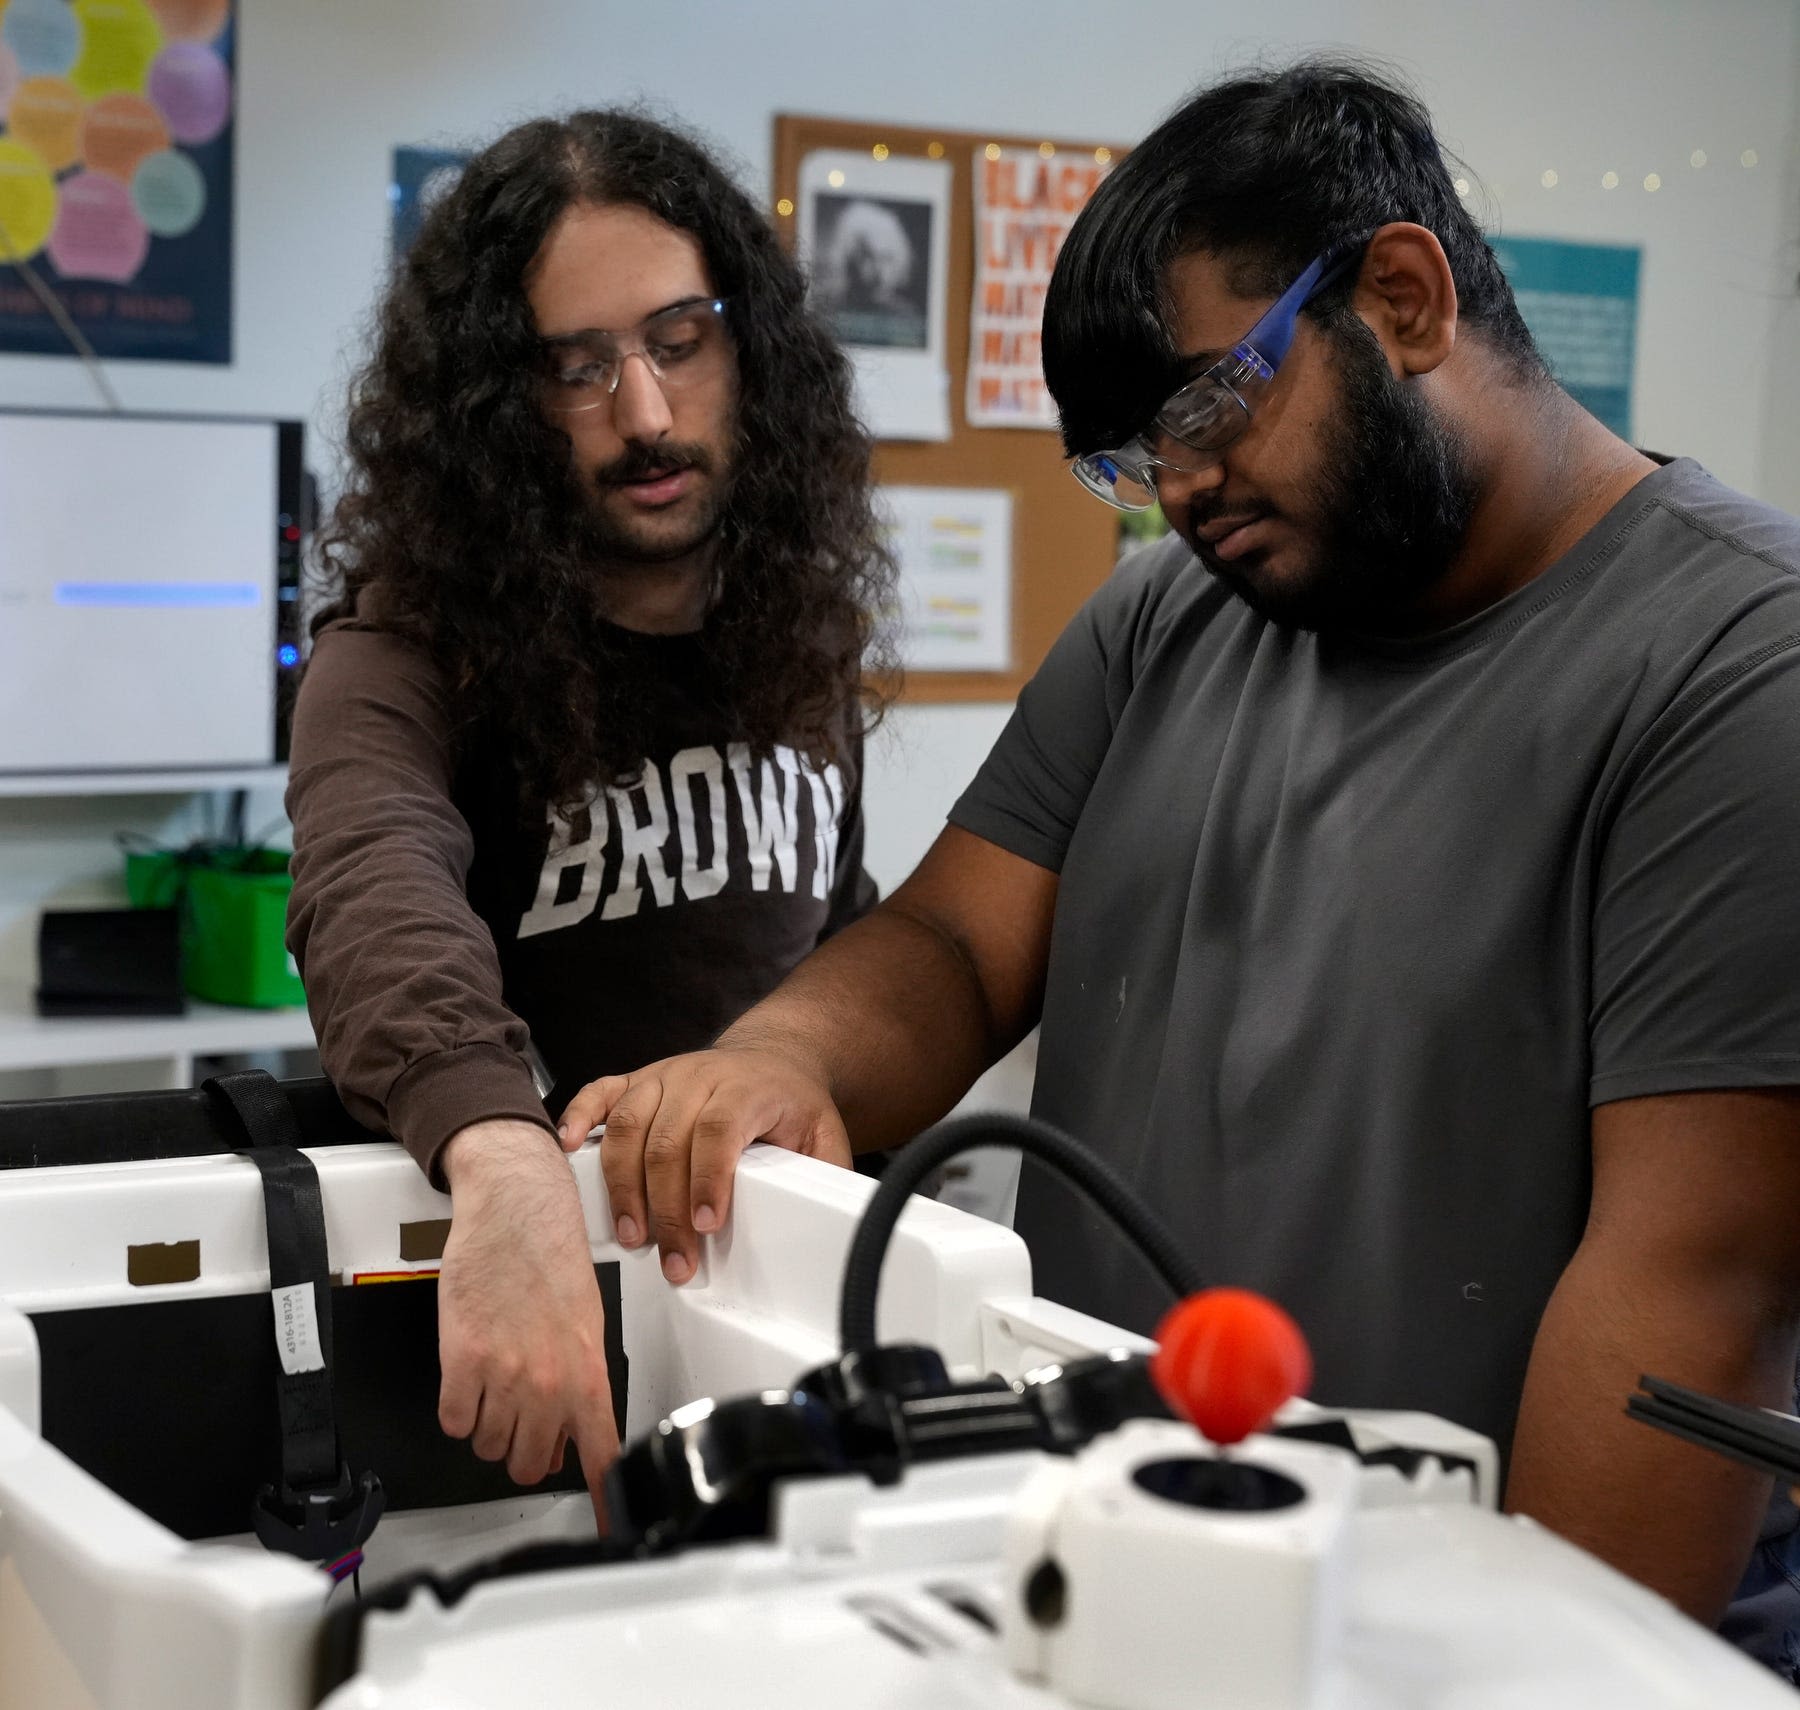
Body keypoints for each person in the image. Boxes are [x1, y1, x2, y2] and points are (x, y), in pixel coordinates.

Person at [560, 62, 1800, 1673]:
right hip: (1128, 1566)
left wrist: (1515, 1669)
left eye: (1212, 408)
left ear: (1404, 297)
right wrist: (778, 1062)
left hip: (1459, 1631)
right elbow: (952, 941)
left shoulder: (1734, 670)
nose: (1186, 492)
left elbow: (1686, 1301)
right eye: (1140, 458)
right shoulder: (1171, 623)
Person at [285, 110, 893, 1510]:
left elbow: (838, 935)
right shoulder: (398, 652)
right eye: (577, 368)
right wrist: (500, 1159)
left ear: (749, 341)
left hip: (777, 1320)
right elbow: (371, 889)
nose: (648, 414)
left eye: (681, 339)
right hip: (524, 1333)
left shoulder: (795, 623)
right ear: (498, 405)